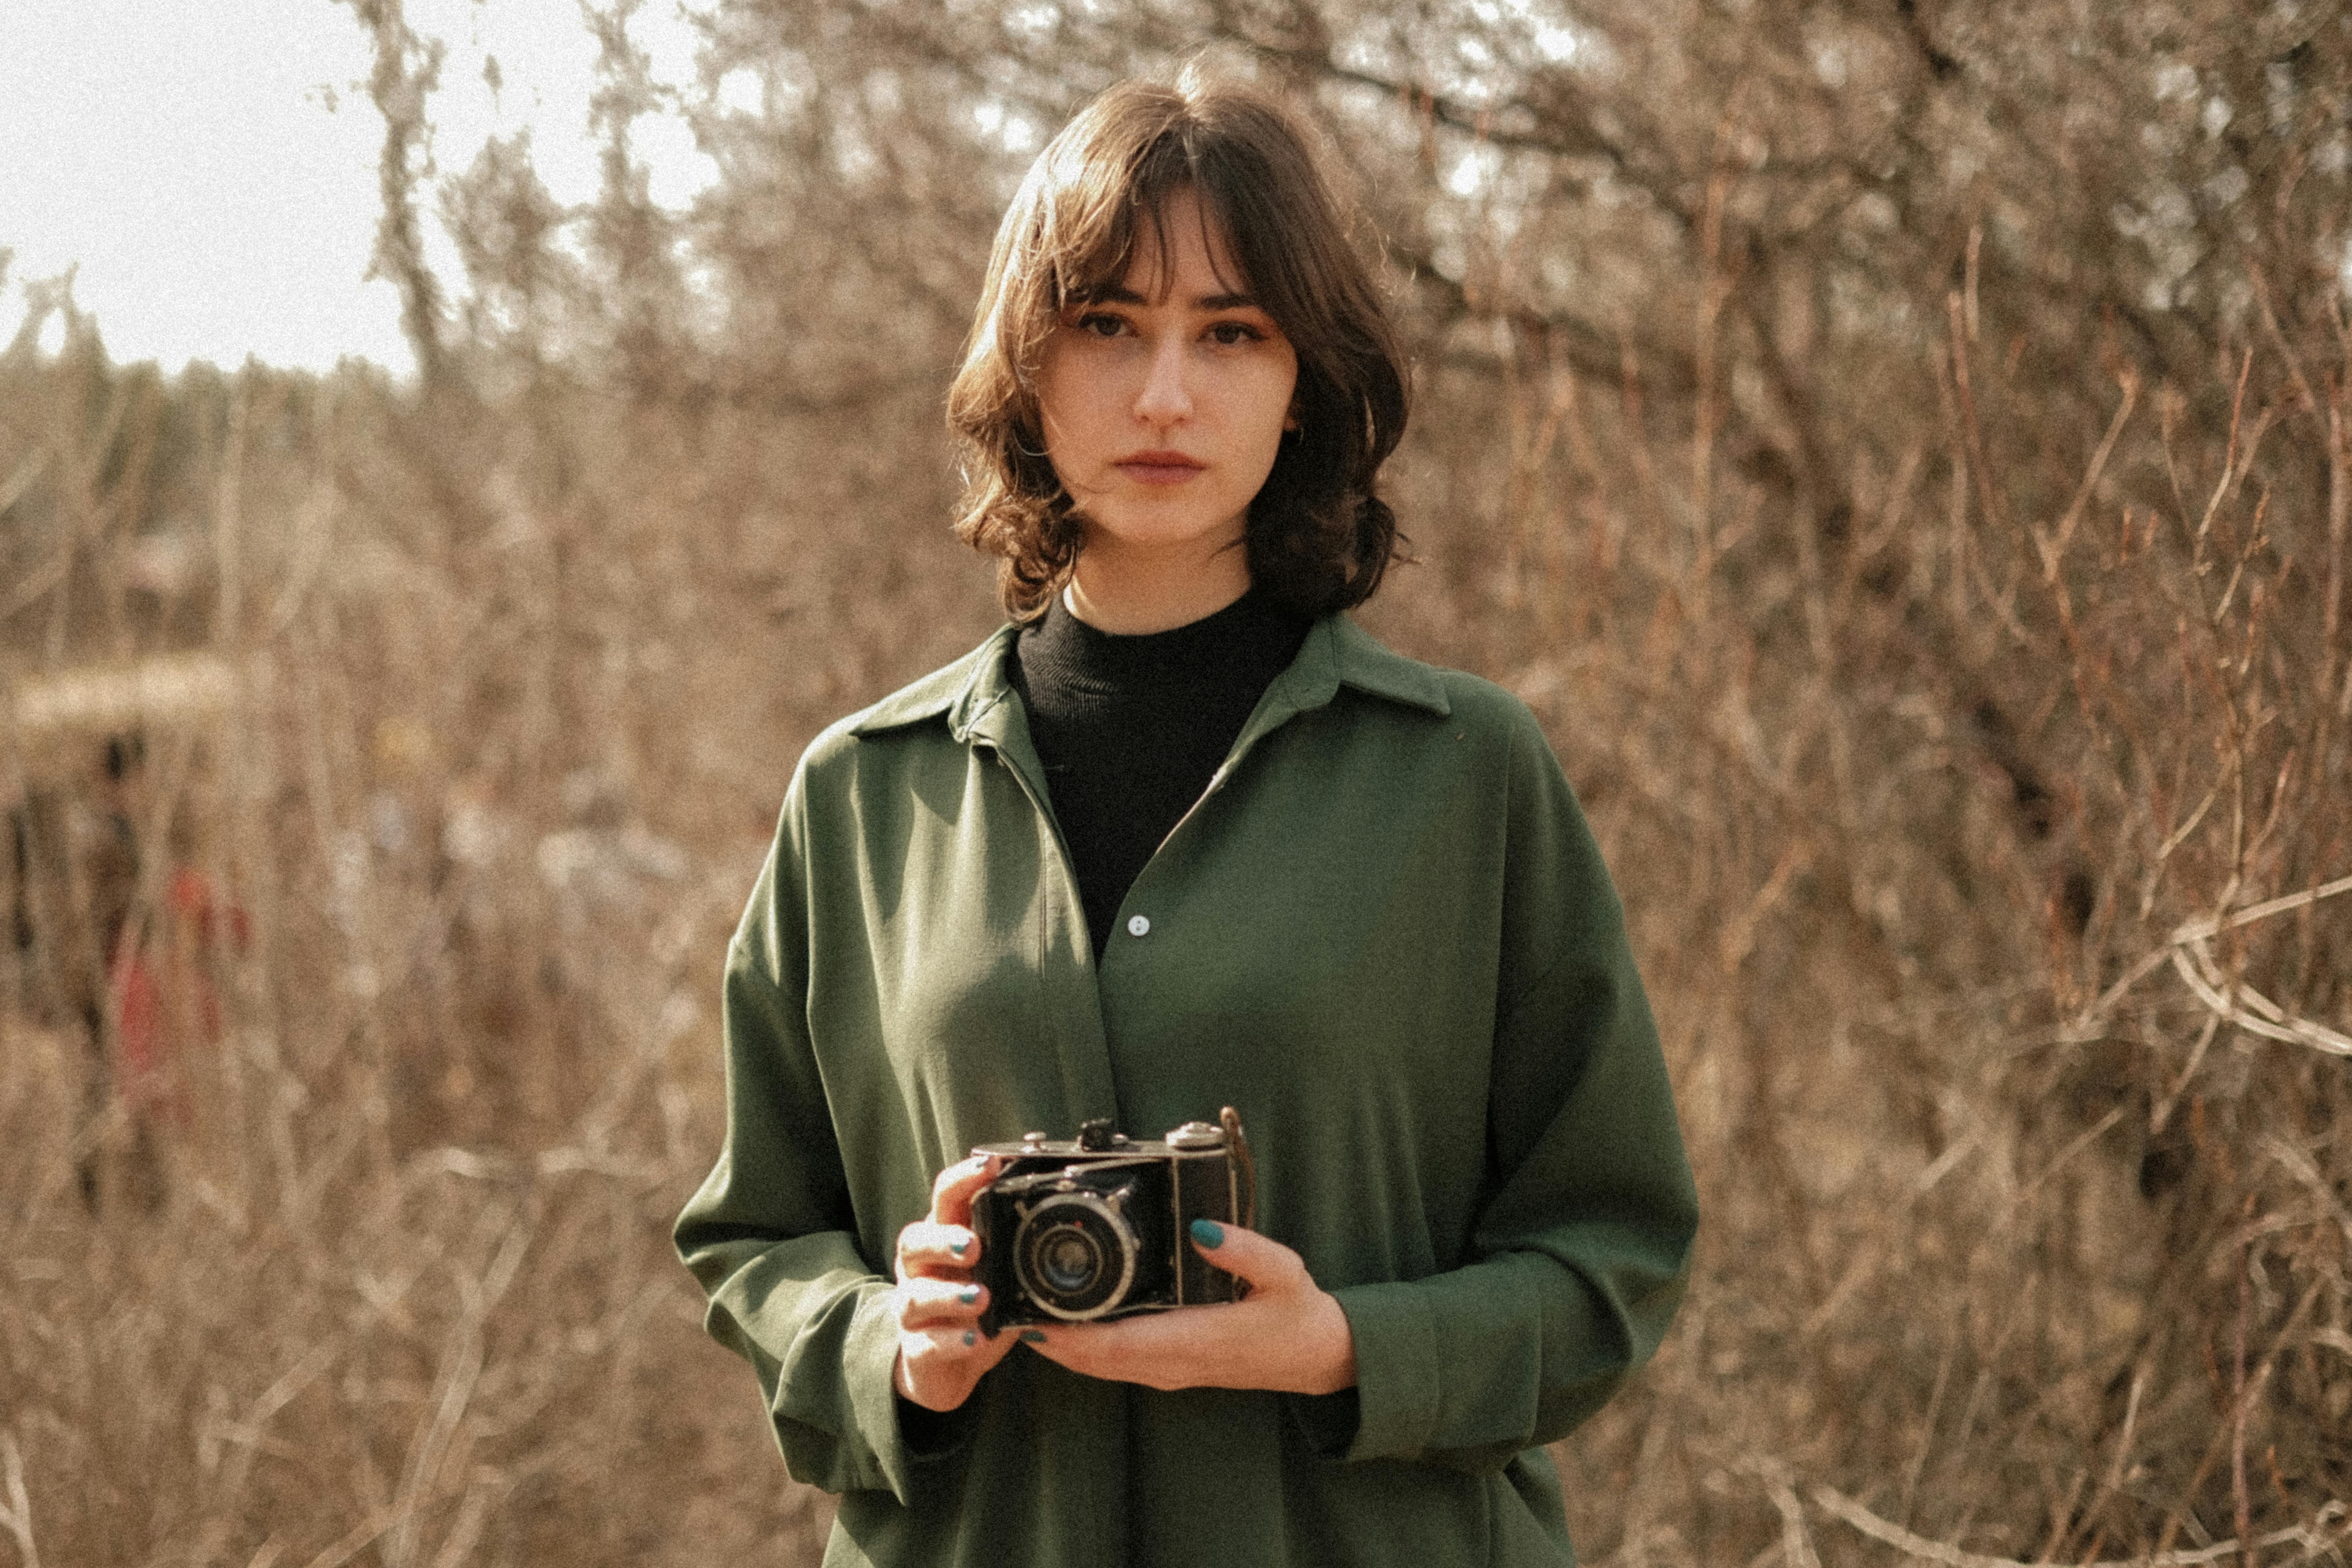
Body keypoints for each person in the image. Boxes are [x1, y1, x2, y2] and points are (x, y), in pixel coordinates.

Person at [674, 70, 1697, 1568]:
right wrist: (899, 1341)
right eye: (1108, 325)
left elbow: (1615, 1252)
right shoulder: (862, 794)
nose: (1165, 394)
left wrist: (1346, 1344)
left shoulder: (1469, 776)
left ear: (1305, 382)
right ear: (1027, 364)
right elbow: (754, 1239)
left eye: (1230, 332)